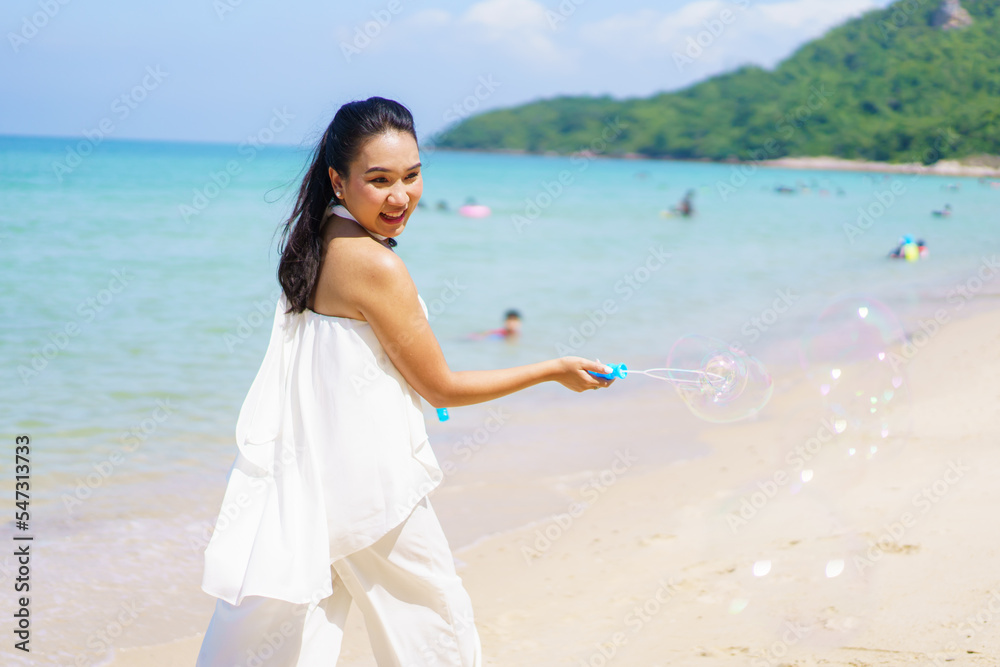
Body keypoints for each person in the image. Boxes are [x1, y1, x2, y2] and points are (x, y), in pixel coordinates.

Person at [194, 97, 615, 667]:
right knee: (435, 627)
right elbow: (443, 388)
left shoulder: (317, 238)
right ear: (338, 181)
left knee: (287, 631)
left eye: (412, 176)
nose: (401, 197)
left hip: (312, 477)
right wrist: (552, 369)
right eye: (379, 180)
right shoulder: (373, 264)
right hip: (368, 484)